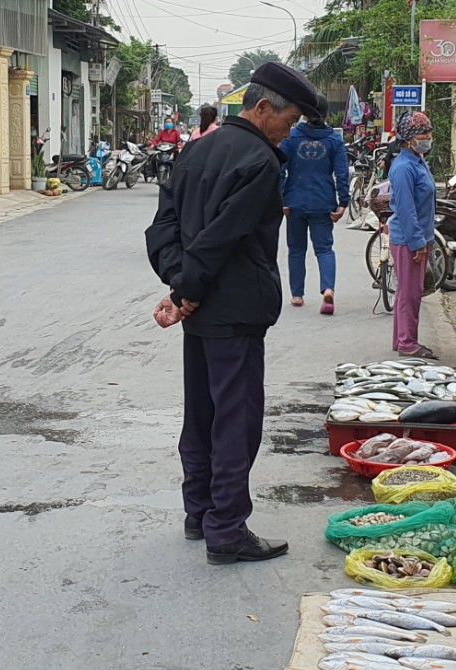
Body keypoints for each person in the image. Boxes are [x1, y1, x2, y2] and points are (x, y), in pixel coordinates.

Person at [144, 62, 321, 565]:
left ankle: (199, 512)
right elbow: (224, 235)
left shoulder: (196, 149)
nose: (289, 132)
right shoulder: (260, 163)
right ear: (263, 108)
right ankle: (227, 527)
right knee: (234, 421)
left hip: (202, 310)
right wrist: (188, 289)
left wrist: (181, 286)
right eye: (287, 121)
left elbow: (163, 229)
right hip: (235, 309)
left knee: (200, 413)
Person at [279, 92, 349, 313]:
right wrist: (343, 201)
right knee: (325, 249)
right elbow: (342, 173)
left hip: (295, 201)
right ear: (328, 115)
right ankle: (328, 289)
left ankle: (297, 295)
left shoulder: (291, 137)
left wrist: (280, 198)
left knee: (296, 249)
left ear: (304, 114)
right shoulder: (334, 140)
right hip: (323, 201)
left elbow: (279, 169)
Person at [387, 110, 437, 359]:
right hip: (408, 239)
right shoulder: (403, 167)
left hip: (418, 237)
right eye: (423, 132)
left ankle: (402, 339)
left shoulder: (418, 160)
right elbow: (406, 210)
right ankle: (408, 343)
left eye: (428, 131)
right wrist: (417, 242)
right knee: (410, 292)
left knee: (408, 291)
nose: (429, 136)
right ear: (409, 138)